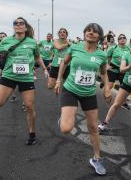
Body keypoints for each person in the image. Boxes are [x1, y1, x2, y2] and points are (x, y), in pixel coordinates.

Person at [55, 23, 111, 175]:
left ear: (99, 36)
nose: (90, 33)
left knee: (93, 127)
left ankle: (97, 159)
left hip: (89, 93)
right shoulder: (75, 48)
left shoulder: (102, 55)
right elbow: (64, 62)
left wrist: (106, 88)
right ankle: (64, 118)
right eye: (88, 30)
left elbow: (104, 72)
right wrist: (59, 80)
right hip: (71, 89)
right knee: (66, 129)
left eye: (94, 32)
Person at [0, 17, 49, 145]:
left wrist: (44, 69)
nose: (18, 25)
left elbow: (38, 57)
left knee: (29, 106)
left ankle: (32, 134)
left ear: (25, 27)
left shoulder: (32, 42)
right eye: (15, 23)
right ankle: (10, 95)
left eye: (21, 23)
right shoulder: (6, 40)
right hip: (9, 76)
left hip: (26, 78)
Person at [98, 35, 131, 136]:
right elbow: (122, 69)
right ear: (130, 44)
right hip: (127, 83)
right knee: (117, 104)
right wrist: (129, 66)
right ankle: (104, 123)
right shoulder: (126, 55)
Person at [106, 34, 131, 109]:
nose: (122, 39)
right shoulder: (113, 48)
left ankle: (123, 102)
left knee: (124, 87)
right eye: (120, 38)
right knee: (110, 85)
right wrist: (108, 64)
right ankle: (106, 97)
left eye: (124, 38)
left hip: (123, 70)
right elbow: (108, 56)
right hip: (113, 69)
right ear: (118, 40)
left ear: (126, 40)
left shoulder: (129, 49)